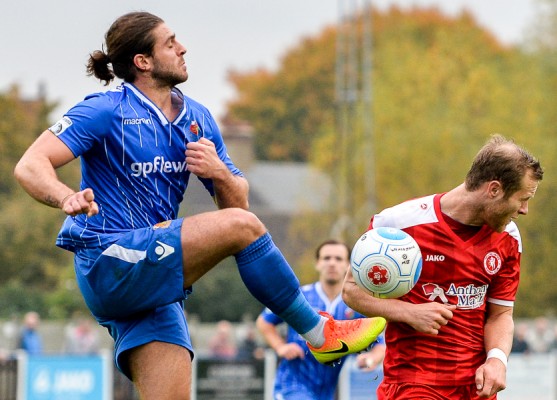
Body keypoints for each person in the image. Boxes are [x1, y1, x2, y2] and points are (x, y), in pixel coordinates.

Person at [13, 12, 386, 399]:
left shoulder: (198, 119)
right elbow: (30, 165)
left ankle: (318, 333)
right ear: (143, 61)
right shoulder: (105, 110)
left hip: (154, 277)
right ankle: (318, 332)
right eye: (170, 42)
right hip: (111, 259)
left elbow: (238, 209)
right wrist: (64, 196)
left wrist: (220, 173)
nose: (183, 47)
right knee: (242, 227)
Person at [342, 134, 544, 400]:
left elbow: (500, 315)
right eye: (522, 199)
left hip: (476, 388)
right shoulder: (399, 223)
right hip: (413, 384)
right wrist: (408, 312)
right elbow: (351, 291)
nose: (525, 210)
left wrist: (497, 360)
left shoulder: (509, 238)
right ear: (494, 189)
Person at [257, 239, 386, 400]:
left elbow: (378, 343)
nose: (332, 263)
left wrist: (370, 359)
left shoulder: (356, 305)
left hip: (326, 392)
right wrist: (280, 347)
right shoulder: (300, 297)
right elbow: (264, 322)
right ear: (317, 264)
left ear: (348, 265)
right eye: (326, 258)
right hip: (291, 385)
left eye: (338, 259)